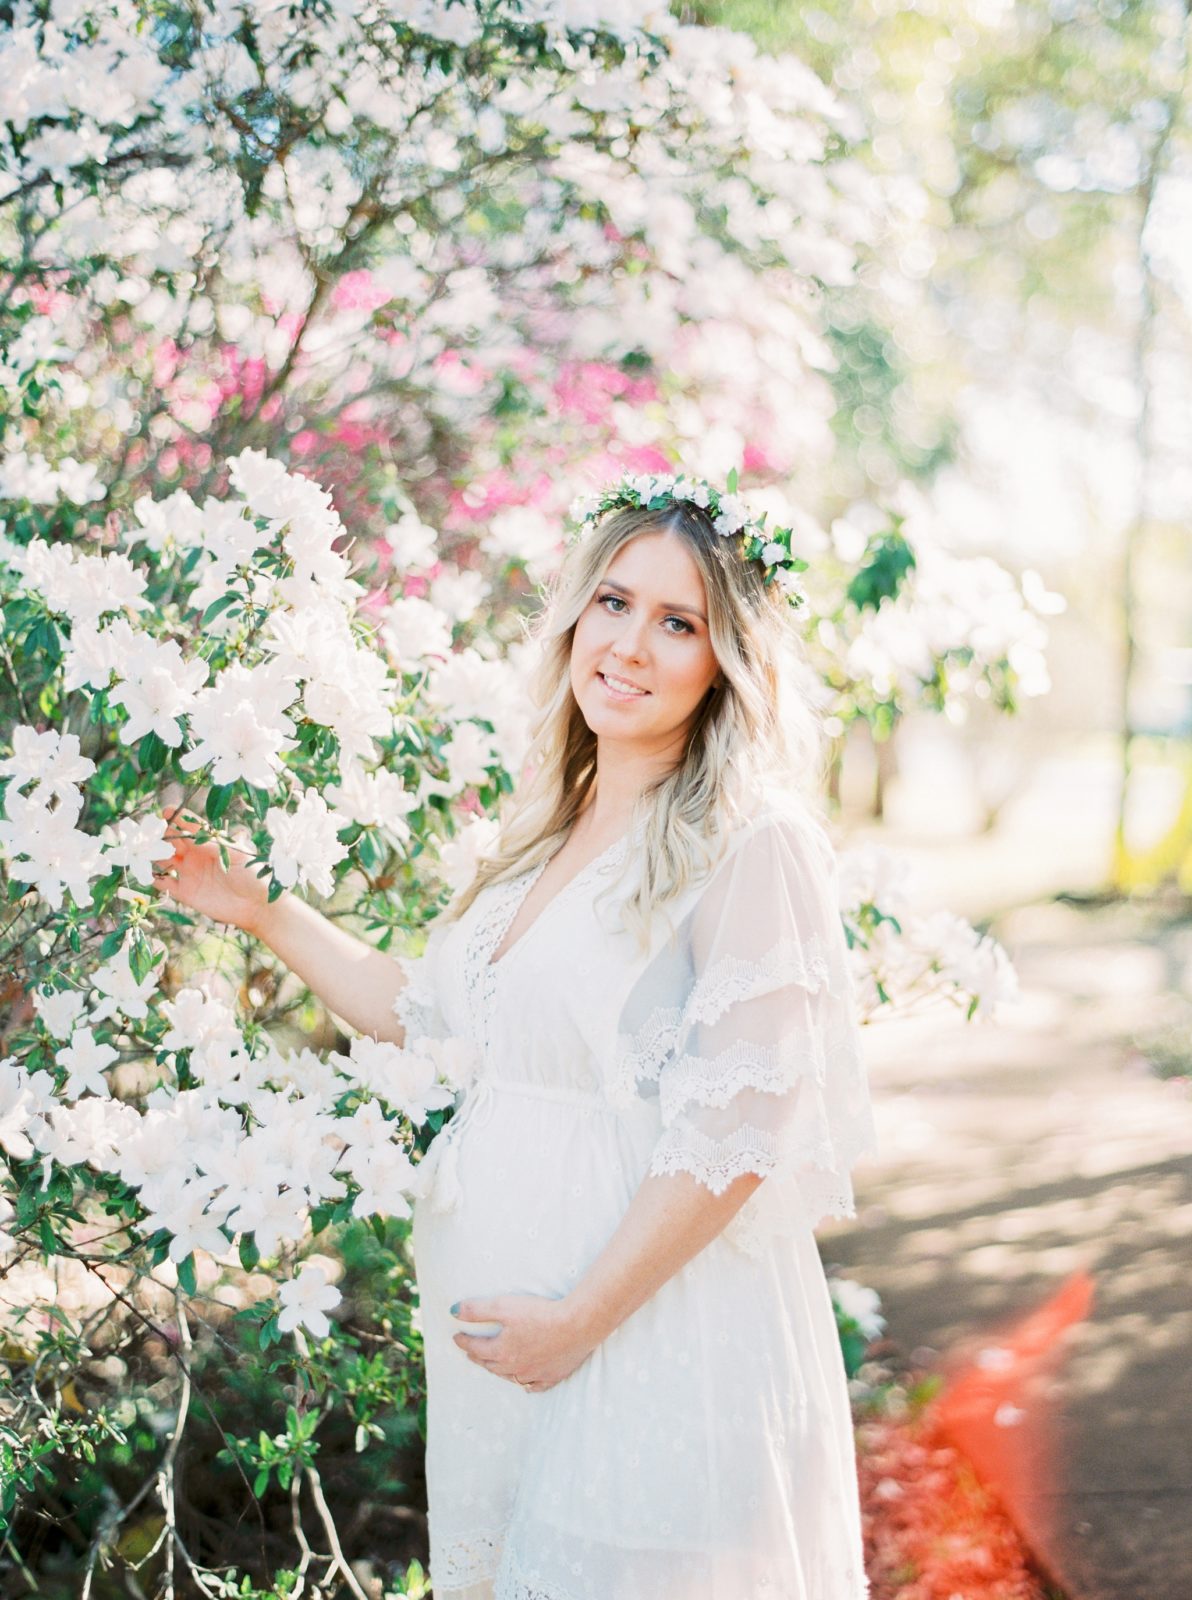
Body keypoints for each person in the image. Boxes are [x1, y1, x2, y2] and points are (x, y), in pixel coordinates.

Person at [153, 473, 878, 1600]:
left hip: (647, 1334)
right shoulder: (547, 832)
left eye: (677, 622)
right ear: (576, 614)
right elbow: (433, 1023)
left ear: (725, 660)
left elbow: (742, 1129)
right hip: (508, 1352)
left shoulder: (747, 841)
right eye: (614, 602)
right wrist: (261, 907)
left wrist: (579, 1322)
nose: (630, 643)